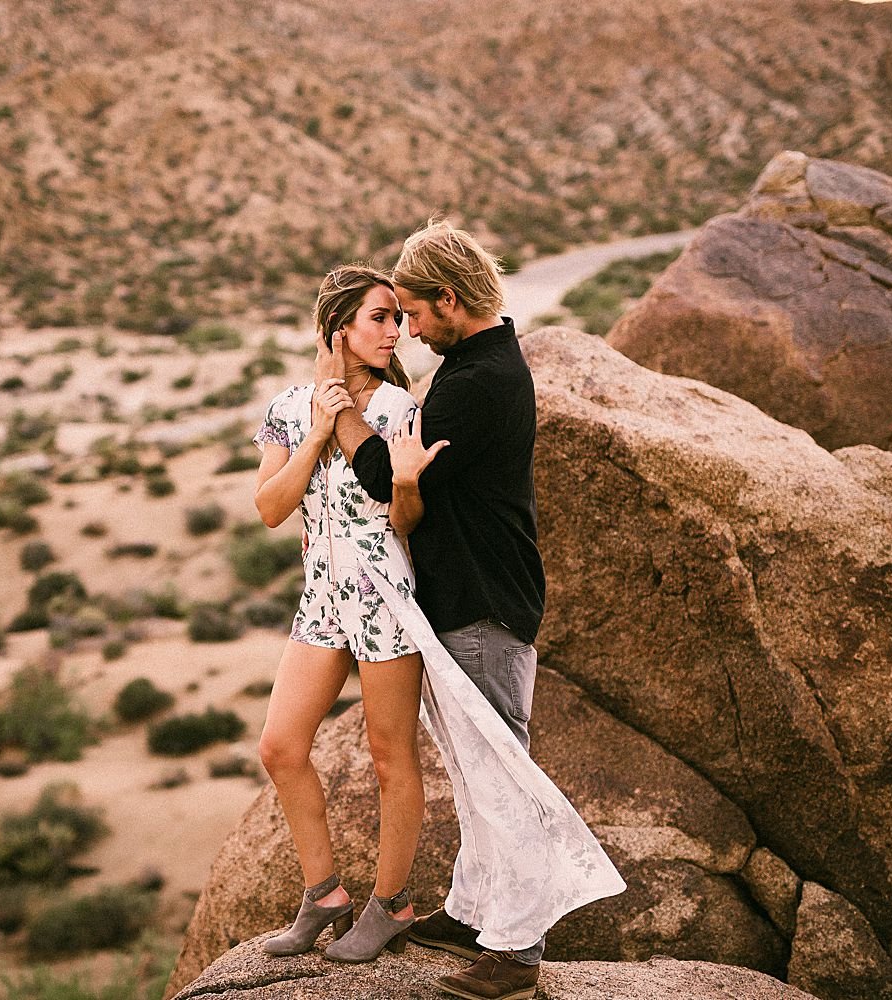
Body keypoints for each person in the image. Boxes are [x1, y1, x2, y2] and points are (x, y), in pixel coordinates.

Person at [324, 220, 625, 1000]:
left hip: (484, 604)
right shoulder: (482, 364)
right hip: (479, 598)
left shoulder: (473, 383)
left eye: (417, 314)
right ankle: (479, 911)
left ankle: (518, 954)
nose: (411, 330)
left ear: (450, 299)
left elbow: (380, 473)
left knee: (497, 774)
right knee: (475, 771)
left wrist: (339, 409)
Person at [252, 263, 427, 963]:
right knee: (280, 746)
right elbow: (269, 508)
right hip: (322, 601)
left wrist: (406, 484)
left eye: (396, 318)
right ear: (337, 329)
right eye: (380, 318)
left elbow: (409, 521)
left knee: (392, 758)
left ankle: (393, 905)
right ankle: (324, 895)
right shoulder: (288, 409)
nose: (396, 331)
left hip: (388, 602)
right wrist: (321, 431)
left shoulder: (400, 411)